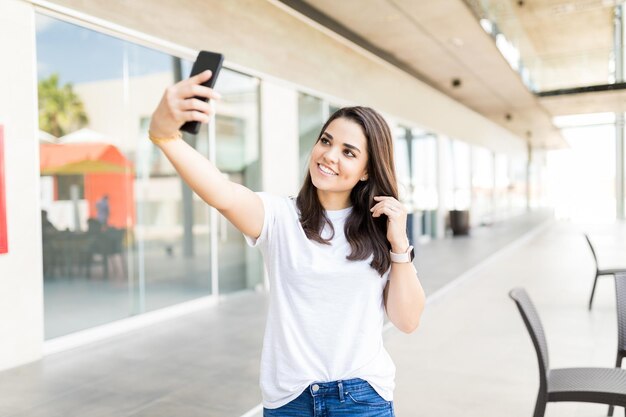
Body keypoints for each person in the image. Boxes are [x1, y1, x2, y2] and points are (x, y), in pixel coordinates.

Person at [149, 70, 426, 416]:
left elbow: (408, 320)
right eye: (325, 141)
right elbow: (221, 193)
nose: (329, 156)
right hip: (290, 400)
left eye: (349, 152)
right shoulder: (280, 217)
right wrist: (165, 136)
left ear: (367, 171)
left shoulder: (380, 230)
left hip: (361, 398)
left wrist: (399, 244)